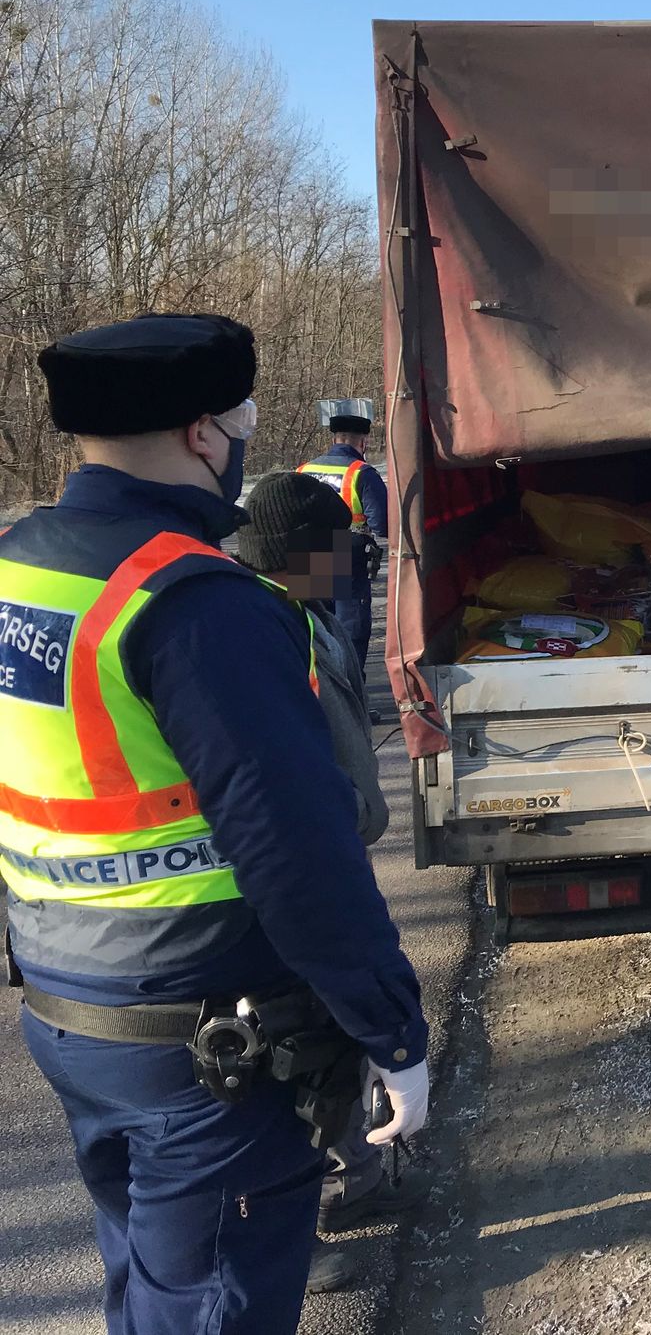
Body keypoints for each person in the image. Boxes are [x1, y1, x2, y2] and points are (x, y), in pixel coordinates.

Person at [0, 314, 431, 1332]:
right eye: (237, 419)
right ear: (205, 433)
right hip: (203, 1042)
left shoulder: (24, 565)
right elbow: (295, 849)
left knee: (153, 1287)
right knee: (212, 1307)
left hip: (71, 1012)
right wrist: (391, 1029)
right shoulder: (196, 602)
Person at [238, 475, 433, 1245]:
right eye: (340, 552)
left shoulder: (306, 617)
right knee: (309, 1050)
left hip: (333, 847)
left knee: (334, 1045)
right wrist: (340, 818)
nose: (354, 566)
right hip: (306, 865)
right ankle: (304, 1217)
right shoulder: (265, 635)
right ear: (298, 555)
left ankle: (358, 1180)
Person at [297, 408, 388, 679]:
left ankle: (320, 695)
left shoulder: (304, 469)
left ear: (336, 438)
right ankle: (352, 699)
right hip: (347, 548)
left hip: (309, 545)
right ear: (363, 442)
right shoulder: (361, 472)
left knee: (315, 627)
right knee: (351, 630)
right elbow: (382, 522)